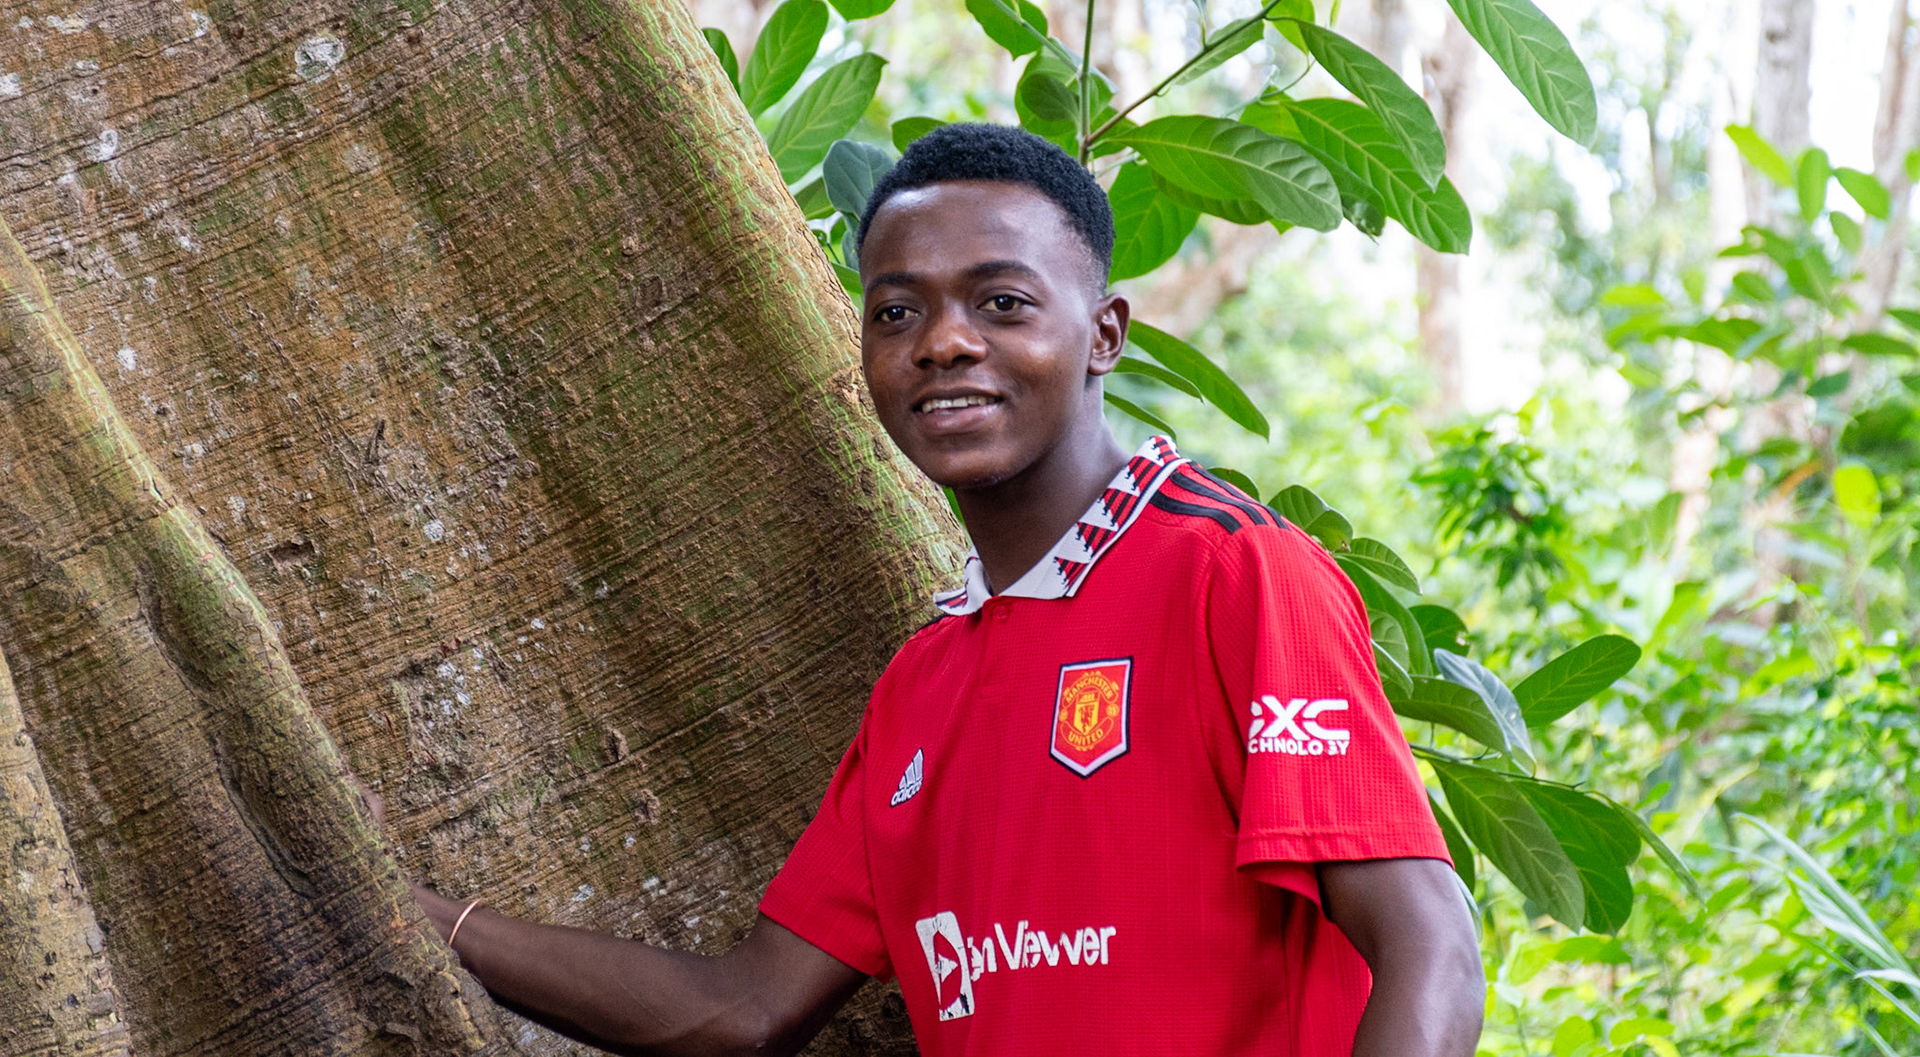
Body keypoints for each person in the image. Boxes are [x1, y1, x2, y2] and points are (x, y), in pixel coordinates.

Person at [407, 124, 1486, 1055]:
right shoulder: (922, 682)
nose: (945, 343)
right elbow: (741, 1011)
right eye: (896, 313)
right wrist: (422, 918)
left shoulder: (1233, 569)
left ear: (1104, 331)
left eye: (1003, 301)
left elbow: (1430, 943)